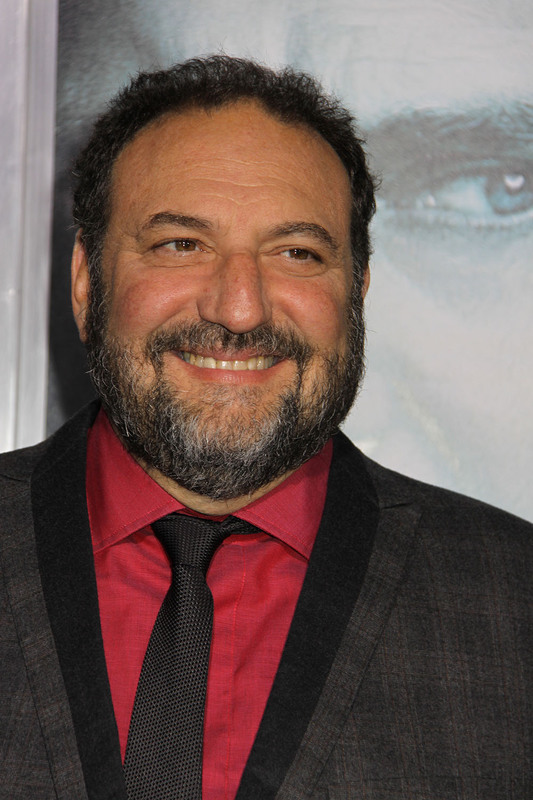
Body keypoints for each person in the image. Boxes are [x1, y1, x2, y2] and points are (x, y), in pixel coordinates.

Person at [0, 55, 530, 800]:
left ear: (357, 291)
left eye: (296, 253)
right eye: (181, 244)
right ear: (87, 282)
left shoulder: (513, 602)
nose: (240, 308)